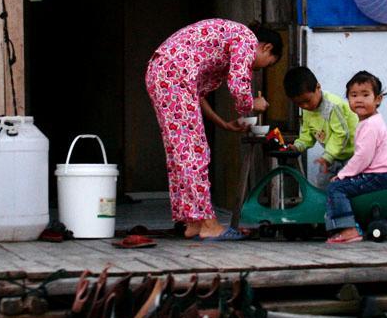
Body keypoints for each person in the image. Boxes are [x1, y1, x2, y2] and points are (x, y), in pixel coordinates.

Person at [145, 18, 283, 241]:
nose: (257, 69)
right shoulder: (246, 38)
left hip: (164, 73)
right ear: (266, 47)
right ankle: (209, 224)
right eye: (265, 63)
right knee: (193, 151)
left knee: (180, 151)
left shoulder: (222, 52)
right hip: (173, 74)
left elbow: (197, 96)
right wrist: (251, 105)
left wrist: (223, 123)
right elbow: (239, 86)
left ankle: (193, 222)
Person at [325, 70, 387, 244]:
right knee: (348, 185)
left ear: (378, 99)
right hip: (385, 176)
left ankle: (348, 229)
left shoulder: (370, 125)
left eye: (365, 95)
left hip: (377, 176)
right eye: (353, 95)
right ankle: (382, 225)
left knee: (337, 188)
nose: (359, 100)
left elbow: (362, 157)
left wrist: (343, 174)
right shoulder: (372, 121)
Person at [283, 66, 358, 187]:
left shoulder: (332, 106)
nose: (305, 106)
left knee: (349, 188)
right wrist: (298, 146)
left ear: (318, 87)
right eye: (299, 103)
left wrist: (327, 156)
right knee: (323, 184)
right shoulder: (307, 110)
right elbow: (307, 135)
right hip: (333, 156)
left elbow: (341, 134)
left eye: (307, 100)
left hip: (354, 155)